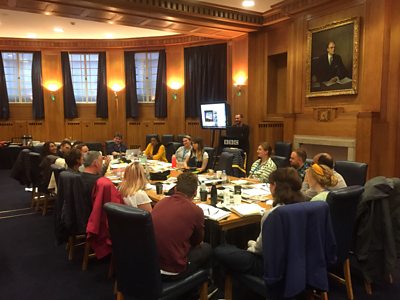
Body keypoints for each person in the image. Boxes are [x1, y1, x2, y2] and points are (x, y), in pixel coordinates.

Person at [214, 168, 305, 277]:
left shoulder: (273, 214)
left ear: (274, 186)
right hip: (298, 263)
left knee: (220, 250)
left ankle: (225, 285)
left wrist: (250, 244)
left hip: (269, 267)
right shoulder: (306, 207)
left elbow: (258, 250)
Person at [151, 172, 212, 280]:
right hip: (172, 271)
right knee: (207, 248)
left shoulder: (161, 202)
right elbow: (197, 242)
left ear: (175, 189)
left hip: (150, 265)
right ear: (195, 192)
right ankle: (201, 289)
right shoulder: (196, 211)